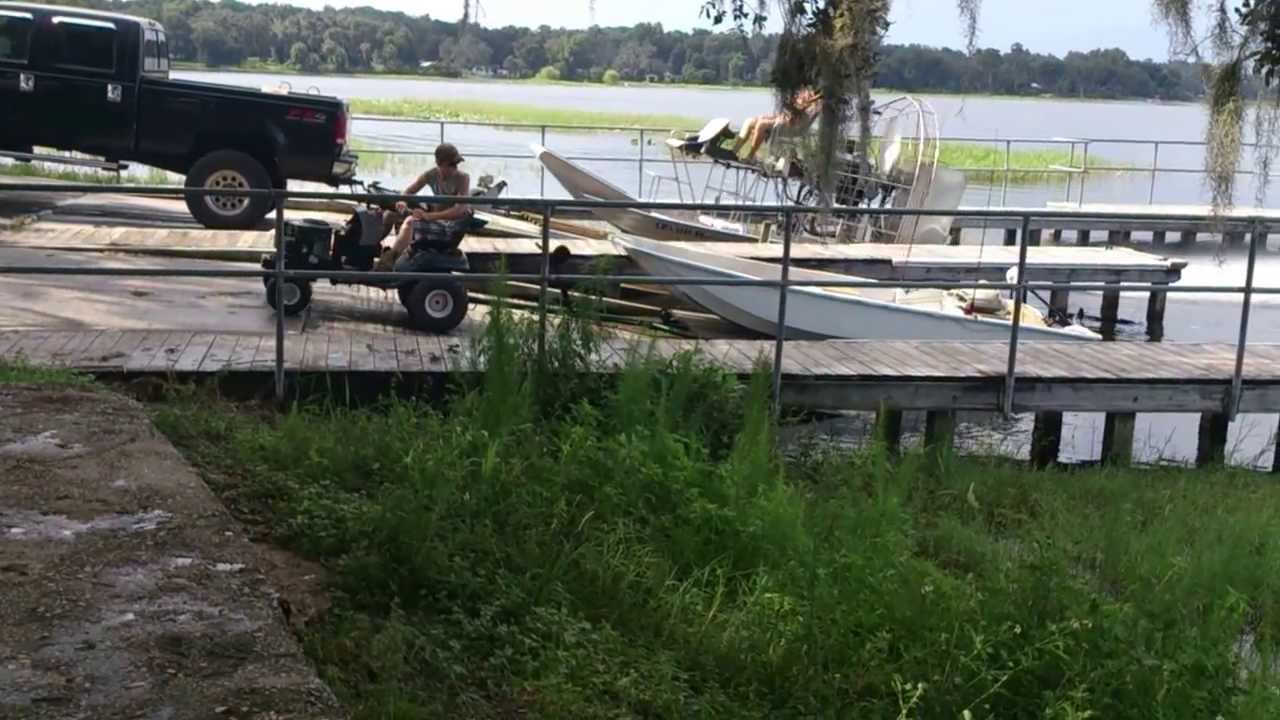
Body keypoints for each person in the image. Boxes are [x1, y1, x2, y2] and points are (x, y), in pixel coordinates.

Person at [374, 142, 472, 271]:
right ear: (439, 163)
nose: (454, 168)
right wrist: (403, 201)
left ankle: (390, 261)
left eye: (456, 164)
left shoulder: (463, 178)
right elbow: (409, 191)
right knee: (390, 214)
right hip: (433, 217)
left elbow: (460, 210)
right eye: (451, 164)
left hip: (448, 225)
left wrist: (428, 216)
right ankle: (372, 247)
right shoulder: (431, 174)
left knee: (410, 222)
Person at [730, 87, 822, 162]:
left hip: (795, 127)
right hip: (784, 121)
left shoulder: (817, 101)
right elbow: (791, 111)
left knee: (762, 124)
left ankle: (750, 156)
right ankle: (733, 152)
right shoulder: (805, 92)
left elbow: (799, 111)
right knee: (750, 121)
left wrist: (792, 104)